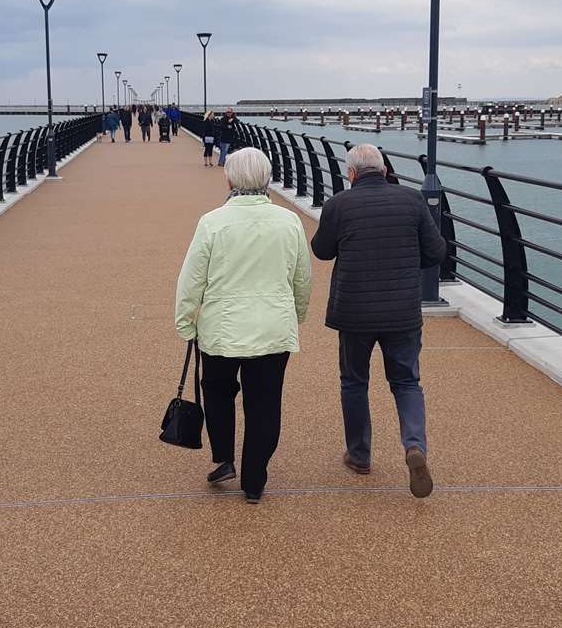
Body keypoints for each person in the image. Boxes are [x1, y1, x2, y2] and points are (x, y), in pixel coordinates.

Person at [175, 147, 312, 503]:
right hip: (272, 329)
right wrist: (296, 314)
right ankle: (255, 479)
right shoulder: (289, 221)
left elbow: (191, 281)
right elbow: (302, 278)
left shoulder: (212, 222)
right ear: (267, 179)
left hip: (221, 329)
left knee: (218, 393)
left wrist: (186, 323)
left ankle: (223, 458)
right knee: (265, 403)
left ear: (230, 178)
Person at [310, 143, 446, 498]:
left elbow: (322, 250)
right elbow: (436, 252)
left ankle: (359, 455)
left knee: (354, 382)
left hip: (353, 311)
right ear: (384, 169)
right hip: (402, 310)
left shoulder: (339, 204)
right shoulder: (413, 200)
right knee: (406, 382)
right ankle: (414, 446)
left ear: (351, 174)